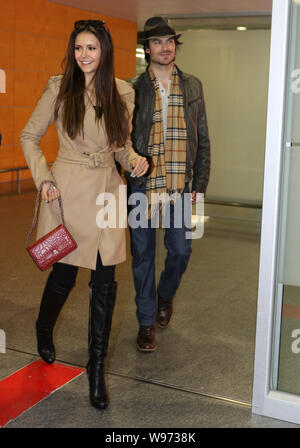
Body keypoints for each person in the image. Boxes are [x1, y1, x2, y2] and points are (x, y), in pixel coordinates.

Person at [20, 19, 148, 410]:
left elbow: (120, 146)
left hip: (108, 189)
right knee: (65, 272)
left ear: (104, 51)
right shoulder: (60, 88)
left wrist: (135, 159)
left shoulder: (121, 92)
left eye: (91, 48)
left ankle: (96, 370)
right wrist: (44, 179)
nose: (84, 55)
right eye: (79, 48)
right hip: (69, 188)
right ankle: (44, 325)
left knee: (105, 281)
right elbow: (29, 136)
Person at [126, 17, 211, 352]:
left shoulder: (192, 85)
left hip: (179, 182)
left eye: (170, 41)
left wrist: (200, 181)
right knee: (142, 254)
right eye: (158, 42)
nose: (165, 47)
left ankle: (165, 296)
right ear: (147, 49)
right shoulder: (133, 88)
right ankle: (146, 321)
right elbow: (125, 137)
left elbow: (202, 136)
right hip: (142, 184)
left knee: (180, 250)